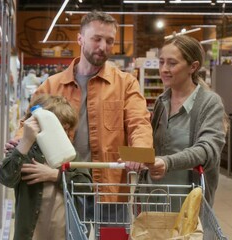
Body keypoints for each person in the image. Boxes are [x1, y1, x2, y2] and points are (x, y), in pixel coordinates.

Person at [8, 10, 152, 202]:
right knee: (66, 233)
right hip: (63, 185)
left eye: (109, 41)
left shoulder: (126, 83)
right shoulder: (52, 86)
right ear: (80, 39)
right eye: (96, 39)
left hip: (110, 189)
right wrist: (18, 141)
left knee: (112, 233)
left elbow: (139, 123)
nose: (103, 46)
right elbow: (28, 124)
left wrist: (139, 154)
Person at [145, 35, 227, 206]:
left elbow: (207, 150)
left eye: (172, 63)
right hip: (155, 201)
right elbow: (154, 148)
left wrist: (168, 162)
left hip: (189, 205)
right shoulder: (162, 102)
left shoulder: (209, 103)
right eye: (161, 62)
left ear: (193, 67)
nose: (164, 69)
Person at [0, 95, 92, 240]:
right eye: (60, 129)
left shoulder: (70, 154)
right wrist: (25, 141)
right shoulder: (26, 151)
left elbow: (86, 186)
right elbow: (6, 178)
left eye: (67, 130)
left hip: (65, 234)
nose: (65, 135)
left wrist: (55, 175)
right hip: (30, 234)